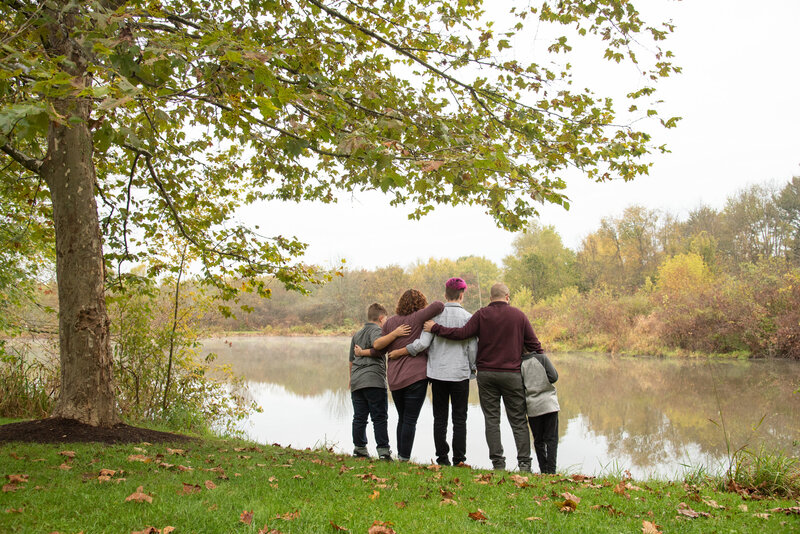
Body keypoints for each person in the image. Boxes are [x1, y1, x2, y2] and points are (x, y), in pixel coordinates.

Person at [424, 282, 542, 472]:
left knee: (492, 420)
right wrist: (541, 365)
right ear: (507, 296)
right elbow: (535, 345)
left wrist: (437, 328)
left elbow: (462, 334)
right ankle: (524, 464)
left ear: (490, 298)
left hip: (486, 375)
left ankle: (498, 464)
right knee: (518, 420)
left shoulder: (482, 314)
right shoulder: (519, 316)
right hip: (512, 374)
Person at [388, 277, 477, 466]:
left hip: (437, 375)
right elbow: (472, 348)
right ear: (462, 295)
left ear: (445, 294)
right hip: (460, 374)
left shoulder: (433, 319)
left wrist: (401, 352)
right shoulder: (469, 318)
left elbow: (422, 344)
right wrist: (472, 368)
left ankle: (442, 458)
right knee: (460, 418)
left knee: (440, 418)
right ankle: (459, 459)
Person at [355, 289, 444, 461]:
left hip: (395, 378)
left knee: (402, 418)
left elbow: (379, 349)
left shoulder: (390, 323)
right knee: (410, 420)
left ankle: (400, 455)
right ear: (420, 304)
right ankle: (404, 458)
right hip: (416, 376)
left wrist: (362, 353)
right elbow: (439, 305)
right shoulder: (418, 317)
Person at [349, 303, 410, 460]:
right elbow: (379, 346)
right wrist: (395, 334)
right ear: (381, 318)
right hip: (374, 380)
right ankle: (383, 451)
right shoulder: (377, 330)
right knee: (379, 417)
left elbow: (351, 360)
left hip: (357, 381)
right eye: (386, 320)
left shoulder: (357, 334)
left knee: (359, 417)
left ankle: (359, 448)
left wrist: (351, 379)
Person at [521, 351, 560, 474]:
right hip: (549, 404)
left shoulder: (519, 363)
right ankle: (551, 470)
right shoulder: (542, 358)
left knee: (538, 441)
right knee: (552, 439)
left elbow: (520, 386)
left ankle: (543, 470)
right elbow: (554, 377)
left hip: (533, 407)